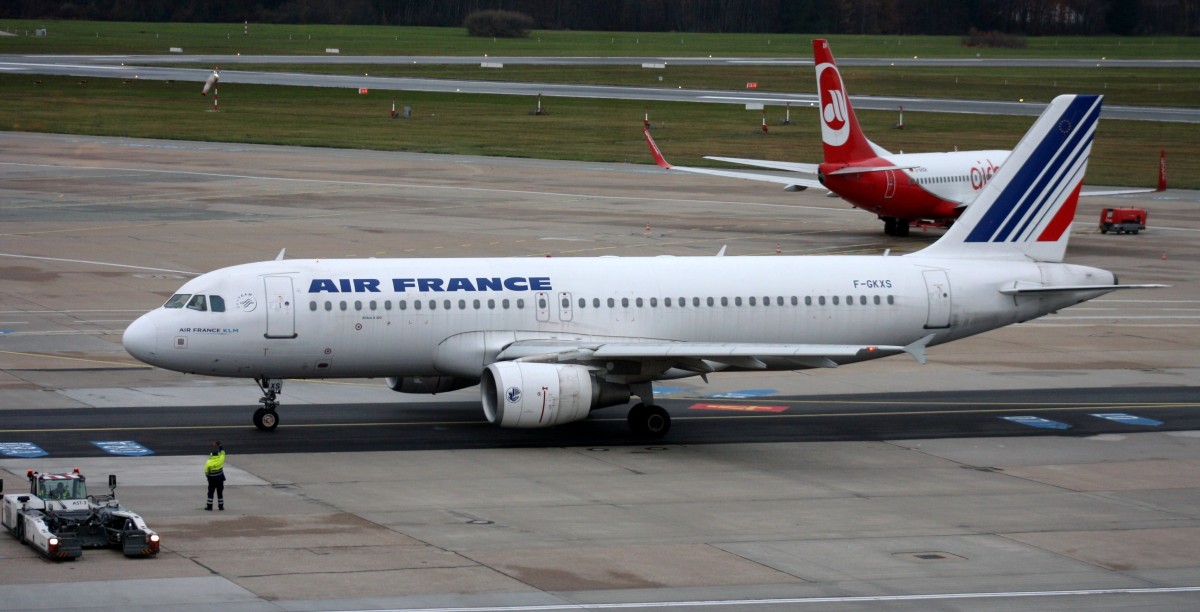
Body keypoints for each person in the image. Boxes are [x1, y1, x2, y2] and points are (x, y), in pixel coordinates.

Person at [204, 440, 226, 511]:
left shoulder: (208, 462)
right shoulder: (220, 459)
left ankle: (209, 507)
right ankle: (221, 507)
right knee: (220, 493)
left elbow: (206, 472)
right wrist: (219, 445)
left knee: (210, 493)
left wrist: (209, 478)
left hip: (212, 480)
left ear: (211, 455)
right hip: (220, 479)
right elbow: (223, 452)